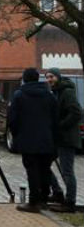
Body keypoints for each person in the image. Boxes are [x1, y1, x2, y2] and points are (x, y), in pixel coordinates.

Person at [8, 68, 58, 213]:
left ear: (24, 79)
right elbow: (56, 119)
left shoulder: (19, 95)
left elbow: (12, 120)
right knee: (45, 170)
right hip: (47, 139)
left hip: (27, 140)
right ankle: (43, 199)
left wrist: (18, 135)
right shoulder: (49, 96)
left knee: (32, 171)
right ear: (38, 79)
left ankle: (34, 201)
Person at [45, 68, 82, 213]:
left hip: (67, 139)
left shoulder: (67, 92)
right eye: (47, 77)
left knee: (67, 171)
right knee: (43, 164)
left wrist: (60, 126)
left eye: (52, 77)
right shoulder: (56, 92)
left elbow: (76, 112)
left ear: (58, 77)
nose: (49, 80)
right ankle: (57, 192)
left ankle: (70, 202)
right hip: (58, 138)